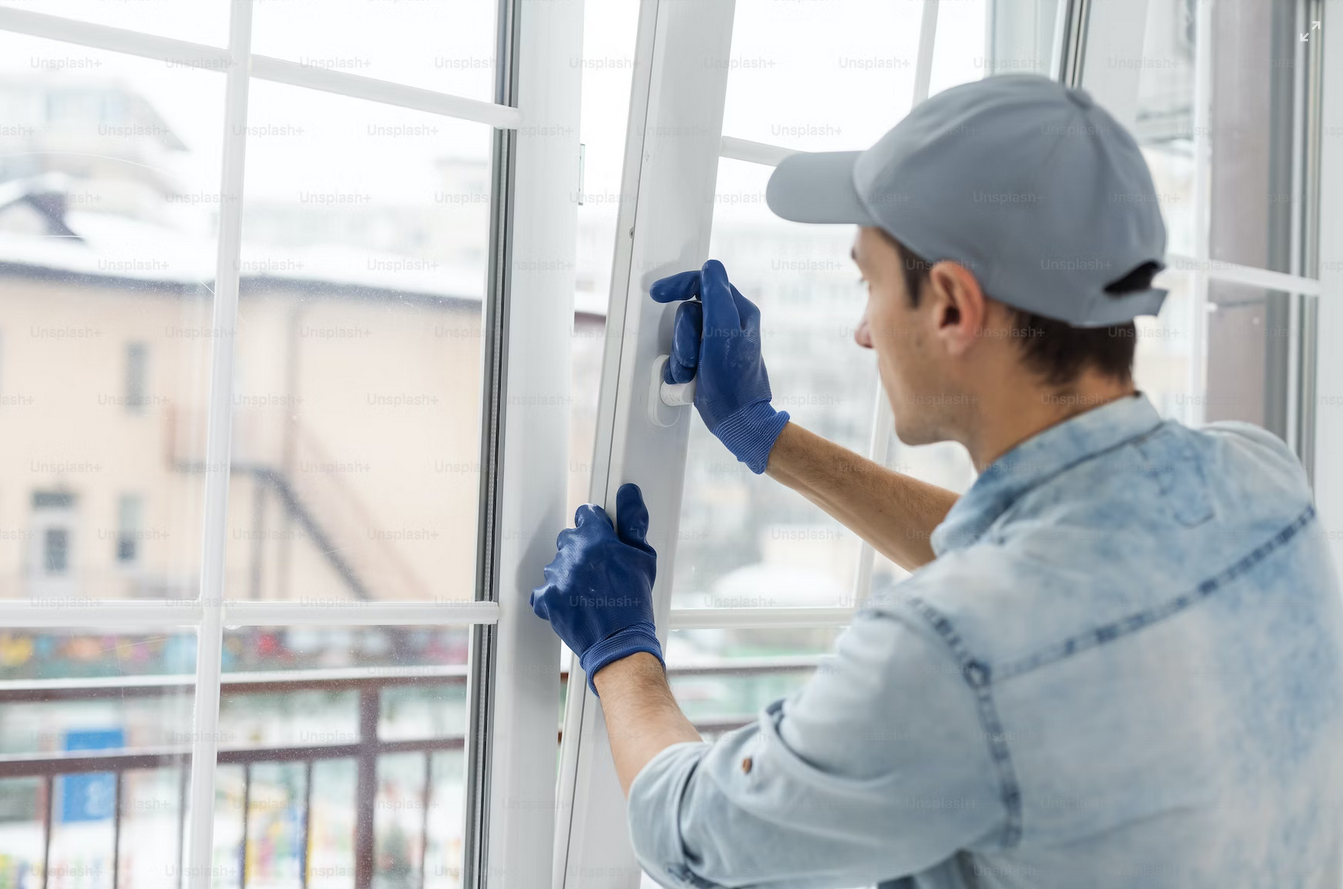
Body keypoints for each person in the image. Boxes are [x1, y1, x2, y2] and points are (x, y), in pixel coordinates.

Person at [529, 74, 1343, 889]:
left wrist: (620, 651)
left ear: (952, 304)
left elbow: (694, 837)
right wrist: (768, 437)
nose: (859, 330)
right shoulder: (1259, 481)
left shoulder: (943, 656)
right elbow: (1042, 556)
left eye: (867, 283)